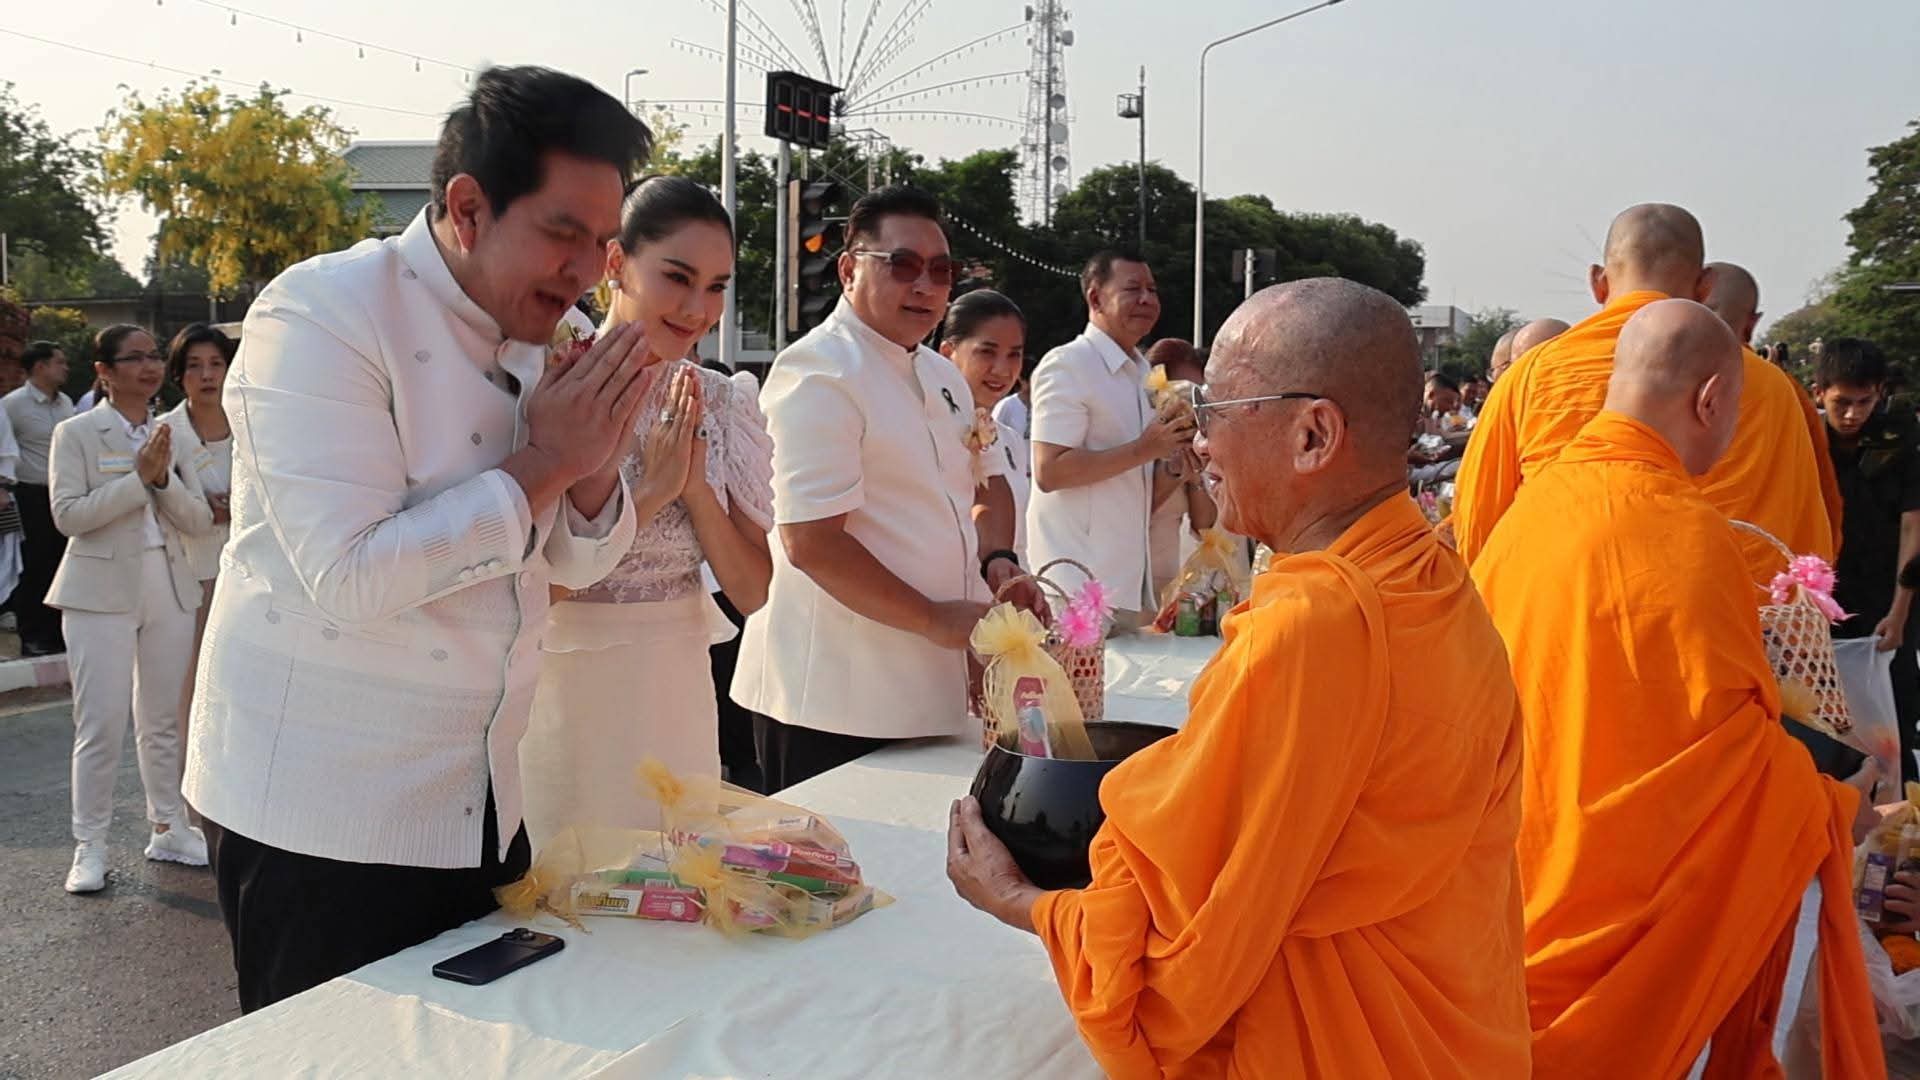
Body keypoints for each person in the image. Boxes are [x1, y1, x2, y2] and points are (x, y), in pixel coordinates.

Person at [948, 278, 1532, 1077]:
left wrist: (1027, 905)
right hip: (1452, 1034)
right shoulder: (1435, 579)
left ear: (1312, 435)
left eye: (1214, 415)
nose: (1201, 447)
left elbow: (1189, 946)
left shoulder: (1318, 622)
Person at [182, 66, 653, 1011]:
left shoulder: (554, 331)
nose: (586, 272)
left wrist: (595, 467)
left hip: (486, 795)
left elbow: (574, 560)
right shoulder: (321, 315)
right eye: (563, 232)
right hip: (325, 811)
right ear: (469, 207)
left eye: (604, 242)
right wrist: (550, 461)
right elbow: (350, 576)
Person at [1469, 299, 1880, 1077]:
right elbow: (1737, 763)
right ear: (1711, 400)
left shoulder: (1527, 514)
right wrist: (1841, 805)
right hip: (1625, 917)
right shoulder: (1694, 539)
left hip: (1510, 891)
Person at [732, 186, 1032, 793]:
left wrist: (997, 560)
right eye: (903, 265)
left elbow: (985, 482)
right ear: (849, 269)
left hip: (929, 681)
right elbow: (811, 542)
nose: (924, 285)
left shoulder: (940, 372)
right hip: (834, 698)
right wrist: (931, 618)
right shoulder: (819, 372)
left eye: (940, 270)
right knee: (837, 879)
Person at [520, 176, 774, 851]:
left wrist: (693, 491)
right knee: (573, 900)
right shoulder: (551, 385)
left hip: (676, 692)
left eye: (717, 286)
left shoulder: (722, 403)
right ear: (615, 266)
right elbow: (531, 591)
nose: (697, 308)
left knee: (678, 895)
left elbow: (752, 590)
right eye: (677, 278)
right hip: (566, 691)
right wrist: (652, 495)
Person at [51, 324, 215, 894]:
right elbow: (68, 516)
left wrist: (163, 477)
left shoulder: (171, 433)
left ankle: (168, 826)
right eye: (134, 358)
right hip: (98, 593)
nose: (149, 367)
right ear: (104, 370)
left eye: (153, 356)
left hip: (166, 584)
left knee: (164, 718)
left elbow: (197, 518)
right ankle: (89, 845)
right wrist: (138, 482)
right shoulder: (75, 433)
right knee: (100, 723)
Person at [1454, 203, 1710, 561]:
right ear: (1705, 286)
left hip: (1553, 597)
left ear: (1598, 282)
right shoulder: (1761, 385)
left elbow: (1479, 525)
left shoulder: (1531, 374)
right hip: (1721, 602)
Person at [1027, 250, 1193, 621]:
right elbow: (1049, 471)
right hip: (1077, 582)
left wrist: (1177, 462)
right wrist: (1143, 448)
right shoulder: (1068, 364)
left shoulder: (1141, 372)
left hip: (1129, 580)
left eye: (1152, 289)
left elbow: (1139, 492)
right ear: (1095, 298)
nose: (1147, 299)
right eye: (1132, 289)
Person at [1819, 338, 1920, 782]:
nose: (1852, 414)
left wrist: (1899, 612)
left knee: (1894, 714)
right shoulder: (1806, 440)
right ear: (1819, 392)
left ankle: (1904, 822)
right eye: (1842, 402)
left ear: (1880, 393)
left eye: (1864, 402)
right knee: (1831, 721)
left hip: (1889, 594)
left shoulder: (1899, 440)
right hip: (1827, 598)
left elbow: (1912, 526)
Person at [1695, 262, 1836, 577]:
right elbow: (1824, 490)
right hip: (1775, 585)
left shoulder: (1661, 379)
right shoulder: (1781, 386)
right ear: (1752, 322)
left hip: (1689, 574)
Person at [158, 323, 234, 743]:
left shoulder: (253, 424)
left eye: (216, 364)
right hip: (191, 574)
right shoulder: (164, 433)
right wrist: (209, 512)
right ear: (179, 374)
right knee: (192, 683)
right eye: (195, 366)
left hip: (250, 572)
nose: (207, 375)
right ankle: (189, 791)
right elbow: (167, 504)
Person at [939, 289, 1035, 566]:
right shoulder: (925, 431)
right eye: (987, 352)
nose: (1002, 370)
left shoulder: (1010, 440)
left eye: (1013, 355)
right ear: (948, 353)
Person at [5, 341, 76, 656]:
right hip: (30, 495)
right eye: (59, 362)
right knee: (34, 563)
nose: (65, 368)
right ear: (39, 368)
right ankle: (32, 635)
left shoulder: (66, 405)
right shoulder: (13, 405)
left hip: (64, 493)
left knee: (62, 561)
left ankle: (56, 631)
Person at [1141, 338, 1217, 601]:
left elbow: (1204, 525)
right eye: (1179, 393)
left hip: (1175, 585)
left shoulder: (1200, 445)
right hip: (1132, 579)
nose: (1186, 407)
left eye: (1196, 396)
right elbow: (1138, 511)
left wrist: (1193, 473)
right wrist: (1173, 470)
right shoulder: (1140, 440)